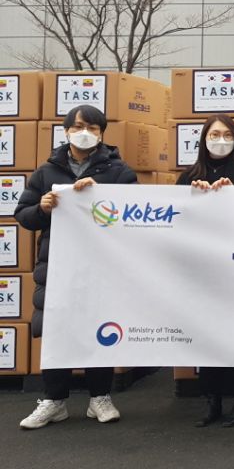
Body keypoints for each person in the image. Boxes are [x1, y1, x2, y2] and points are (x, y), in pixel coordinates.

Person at [15, 105, 137, 430]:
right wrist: (41, 208)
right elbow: (23, 215)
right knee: (58, 330)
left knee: (101, 328)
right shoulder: (46, 172)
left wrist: (101, 194)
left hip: (101, 266)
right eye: (79, 126)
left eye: (93, 128)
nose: (85, 132)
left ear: (102, 133)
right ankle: (54, 400)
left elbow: (133, 214)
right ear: (66, 130)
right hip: (57, 266)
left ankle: (100, 397)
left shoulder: (119, 172)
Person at [177, 114, 234, 428]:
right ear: (203, 139)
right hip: (204, 268)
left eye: (227, 134)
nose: (220, 140)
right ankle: (212, 400)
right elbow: (176, 217)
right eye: (214, 134)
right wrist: (193, 195)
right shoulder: (190, 175)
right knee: (208, 334)